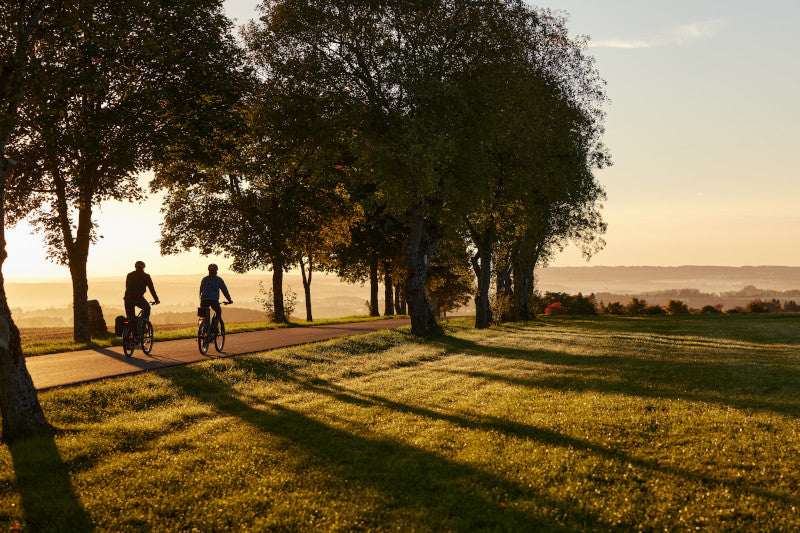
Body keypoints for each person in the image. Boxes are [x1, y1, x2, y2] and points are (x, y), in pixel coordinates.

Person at [124, 260, 159, 334]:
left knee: (130, 318)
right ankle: (142, 325)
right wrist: (156, 300)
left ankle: (131, 334)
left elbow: (127, 287)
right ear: (144, 268)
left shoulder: (129, 275)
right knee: (147, 308)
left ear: (135, 267)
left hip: (127, 298)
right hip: (138, 298)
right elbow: (151, 289)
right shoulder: (146, 276)